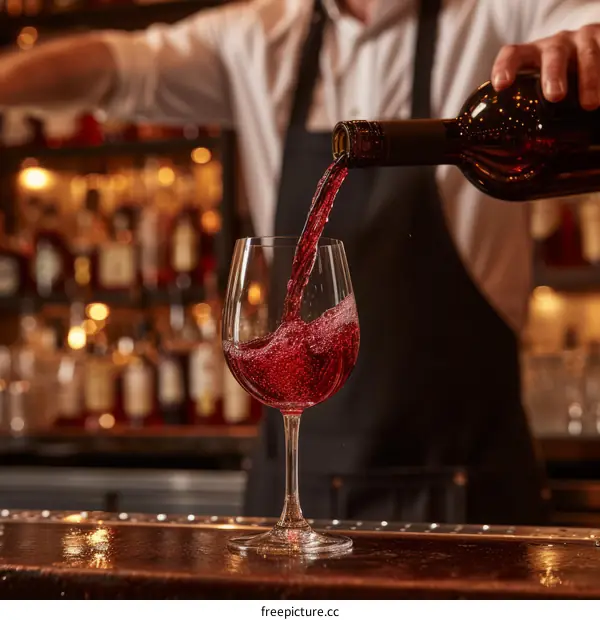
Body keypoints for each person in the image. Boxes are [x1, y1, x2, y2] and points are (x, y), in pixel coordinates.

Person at [2, 0, 600, 526]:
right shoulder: (256, 33)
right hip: (293, 491)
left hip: (467, 503)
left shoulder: (500, 13)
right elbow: (114, 66)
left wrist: (586, 43)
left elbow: (580, 25)